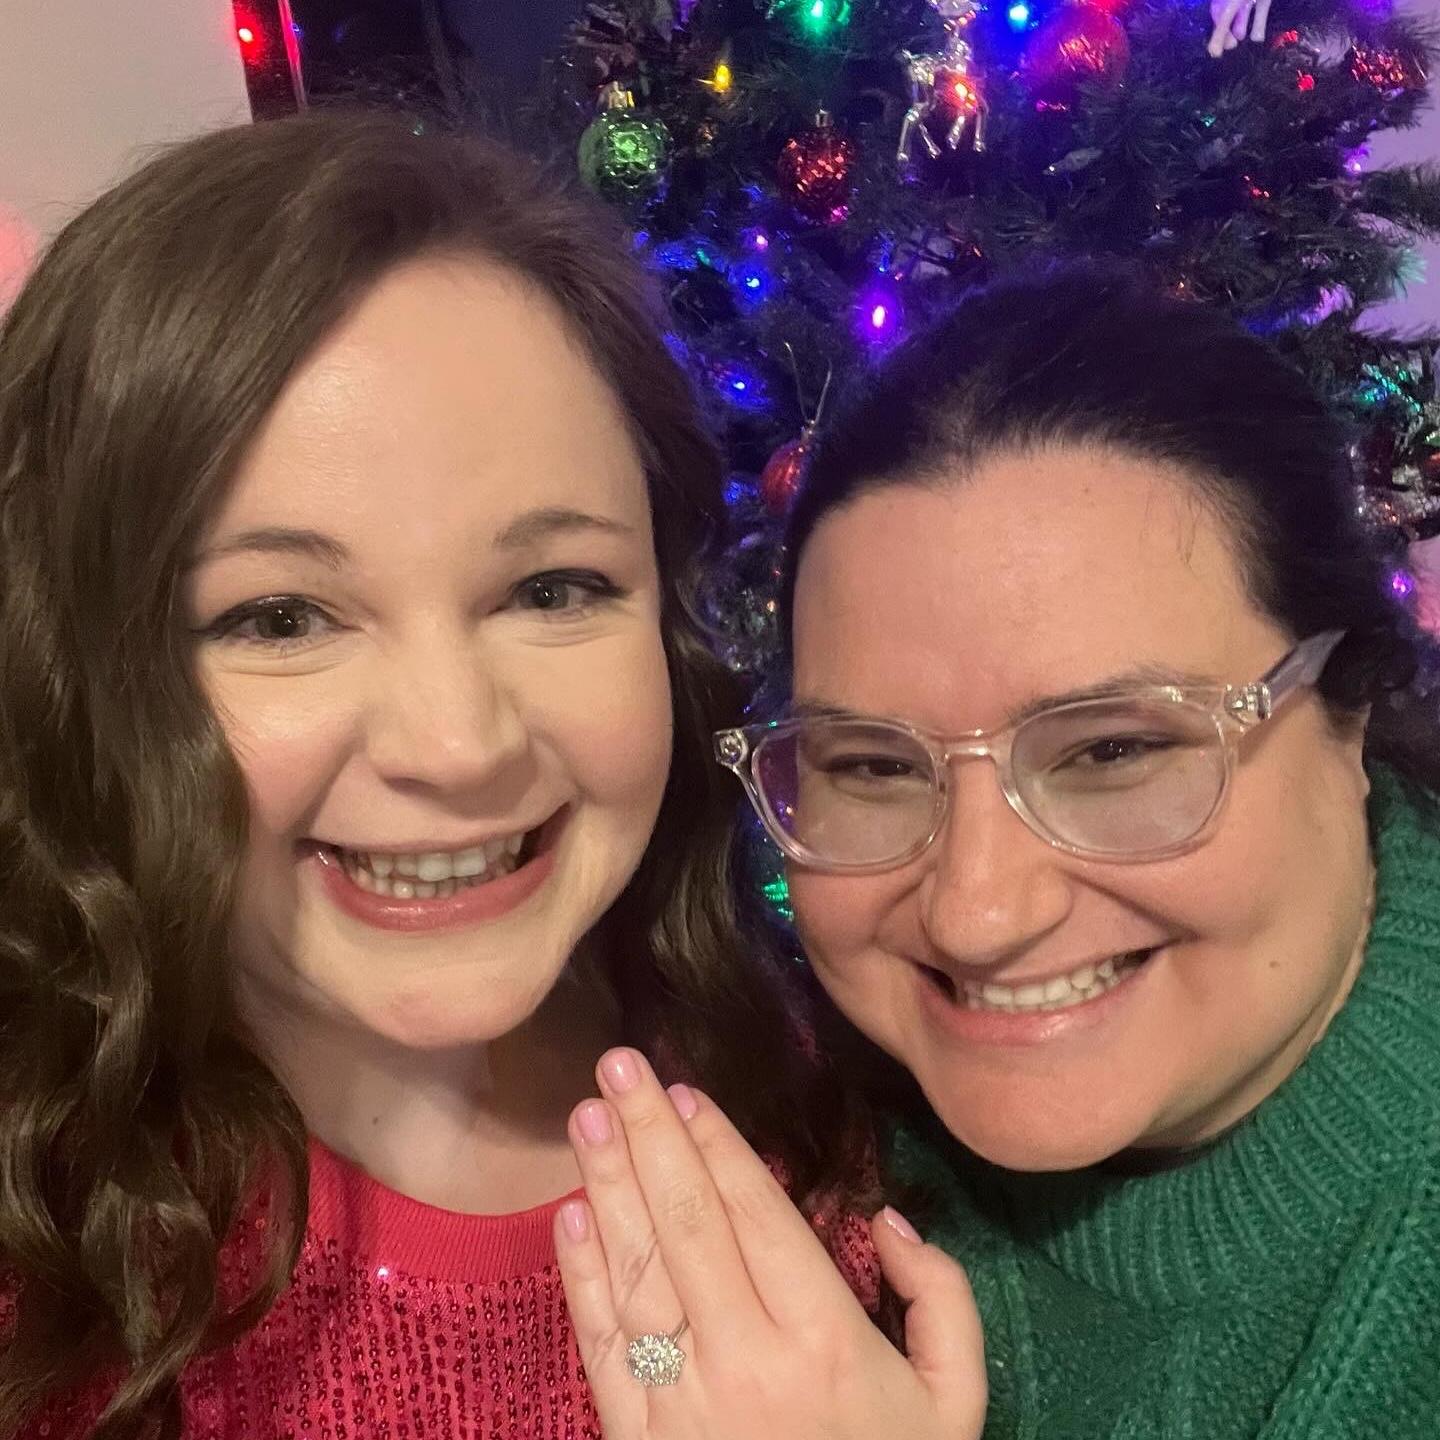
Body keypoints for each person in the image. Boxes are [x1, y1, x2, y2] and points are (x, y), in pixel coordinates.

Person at [0, 109, 979, 1439]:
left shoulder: (796, 1073)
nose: (459, 748)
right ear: (74, 671)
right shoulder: (49, 1254)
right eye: (281, 617)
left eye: (552, 589)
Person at [698, 265, 1440, 1436]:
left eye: (1112, 752)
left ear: (1347, 711)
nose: (976, 913)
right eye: (875, 768)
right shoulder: (757, 1099)